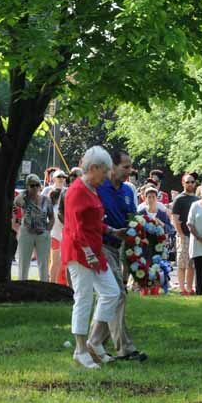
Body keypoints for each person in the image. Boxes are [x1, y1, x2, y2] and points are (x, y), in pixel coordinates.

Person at [62, 146, 124, 370]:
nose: (107, 175)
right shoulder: (77, 191)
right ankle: (80, 350)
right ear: (94, 168)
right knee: (84, 298)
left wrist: (111, 231)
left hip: (94, 251)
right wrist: (89, 254)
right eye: (105, 171)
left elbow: (93, 221)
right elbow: (76, 228)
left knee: (112, 293)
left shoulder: (92, 189)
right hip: (79, 253)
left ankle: (94, 342)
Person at [91, 148, 147, 361]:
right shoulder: (99, 188)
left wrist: (143, 229)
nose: (129, 171)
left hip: (118, 247)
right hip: (100, 245)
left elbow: (131, 218)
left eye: (130, 167)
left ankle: (94, 344)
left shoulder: (127, 191)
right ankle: (124, 348)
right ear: (112, 166)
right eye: (125, 167)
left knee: (110, 297)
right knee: (117, 294)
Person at [13, 174, 55, 281]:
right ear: (27, 186)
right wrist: (25, 192)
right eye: (32, 185)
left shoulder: (46, 200)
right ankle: (22, 285)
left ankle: (44, 286)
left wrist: (48, 230)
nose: (35, 187)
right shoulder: (24, 199)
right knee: (24, 263)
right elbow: (16, 202)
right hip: (26, 233)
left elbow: (51, 217)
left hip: (43, 234)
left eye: (37, 185)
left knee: (43, 264)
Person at [171, 172, 199, 295]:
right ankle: (182, 289)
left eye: (192, 182)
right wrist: (181, 234)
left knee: (191, 264)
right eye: (187, 182)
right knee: (182, 264)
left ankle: (189, 288)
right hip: (183, 235)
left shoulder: (197, 199)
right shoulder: (179, 199)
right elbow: (175, 219)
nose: (190, 184)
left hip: (194, 236)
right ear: (183, 183)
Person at [48, 188, 65, 284]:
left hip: (54, 236)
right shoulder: (58, 209)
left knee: (54, 263)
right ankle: (54, 282)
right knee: (57, 263)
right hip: (58, 237)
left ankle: (53, 282)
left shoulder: (52, 208)